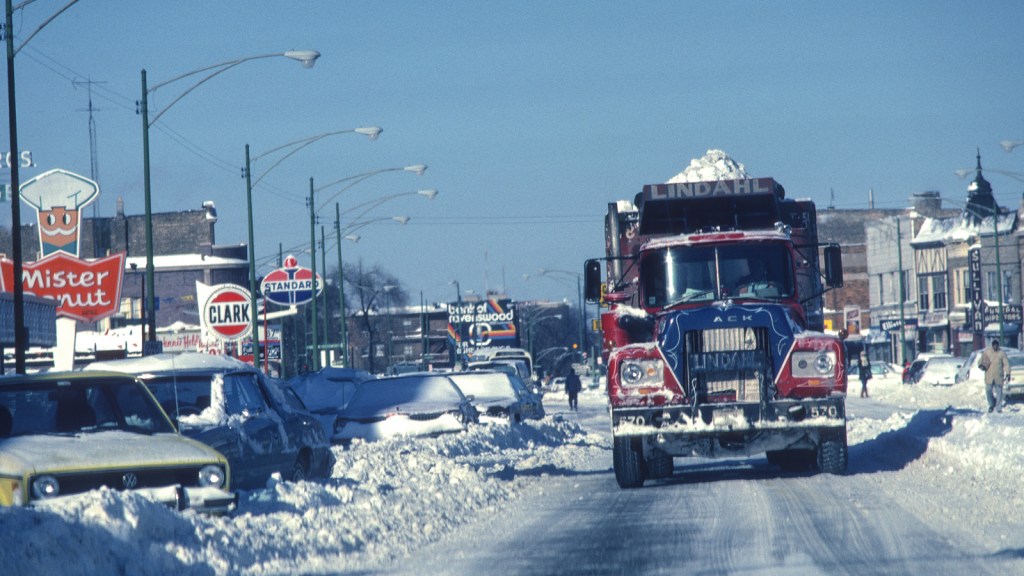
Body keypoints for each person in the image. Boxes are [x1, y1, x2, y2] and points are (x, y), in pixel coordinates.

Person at [979, 338, 1011, 413]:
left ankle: (998, 407)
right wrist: (981, 366)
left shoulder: (1002, 353)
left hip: (998, 375)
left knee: (999, 392)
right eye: (994, 345)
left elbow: (1006, 364)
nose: (995, 347)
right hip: (989, 375)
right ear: (992, 345)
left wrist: (1008, 373)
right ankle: (991, 404)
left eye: (996, 345)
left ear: (998, 345)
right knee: (988, 390)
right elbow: (981, 361)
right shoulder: (987, 352)